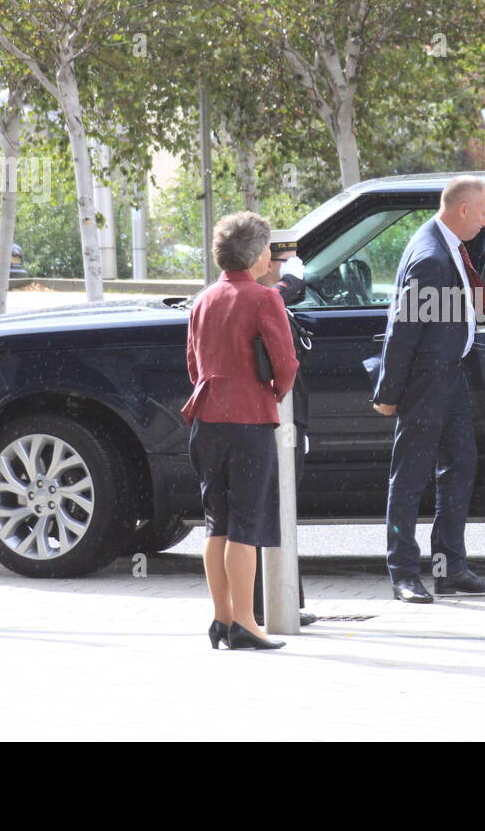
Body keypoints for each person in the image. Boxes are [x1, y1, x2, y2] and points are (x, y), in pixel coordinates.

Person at [372, 175, 485, 603]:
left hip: (450, 375)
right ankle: (402, 573)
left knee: (460, 466)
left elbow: (450, 304)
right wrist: (389, 393)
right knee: (410, 478)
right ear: (462, 210)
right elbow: (403, 331)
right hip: (424, 383)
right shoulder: (430, 256)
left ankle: (450, 567)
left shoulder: (448, 245)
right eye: (484, 212)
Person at [183, 211, 298, 649]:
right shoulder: (265, 298)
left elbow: (193, 363)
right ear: (255, 255)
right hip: (249, 419)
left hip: (207, 418)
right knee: (246, 525)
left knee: (218, 524)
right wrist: (274, 391)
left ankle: (221, 618)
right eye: (268, 248)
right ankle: (247, 623)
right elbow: (285, 364)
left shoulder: (204, 298)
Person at [253, 237, 317, 627]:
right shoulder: (262, 300)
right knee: (269, 510)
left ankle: (284, 598)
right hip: (271, 423)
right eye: (288, 263)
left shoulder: (270, 301)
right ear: (267, 263)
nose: (296, 270)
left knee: (280, 512)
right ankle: (270, 603)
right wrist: (289, 285)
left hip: (287, 423)